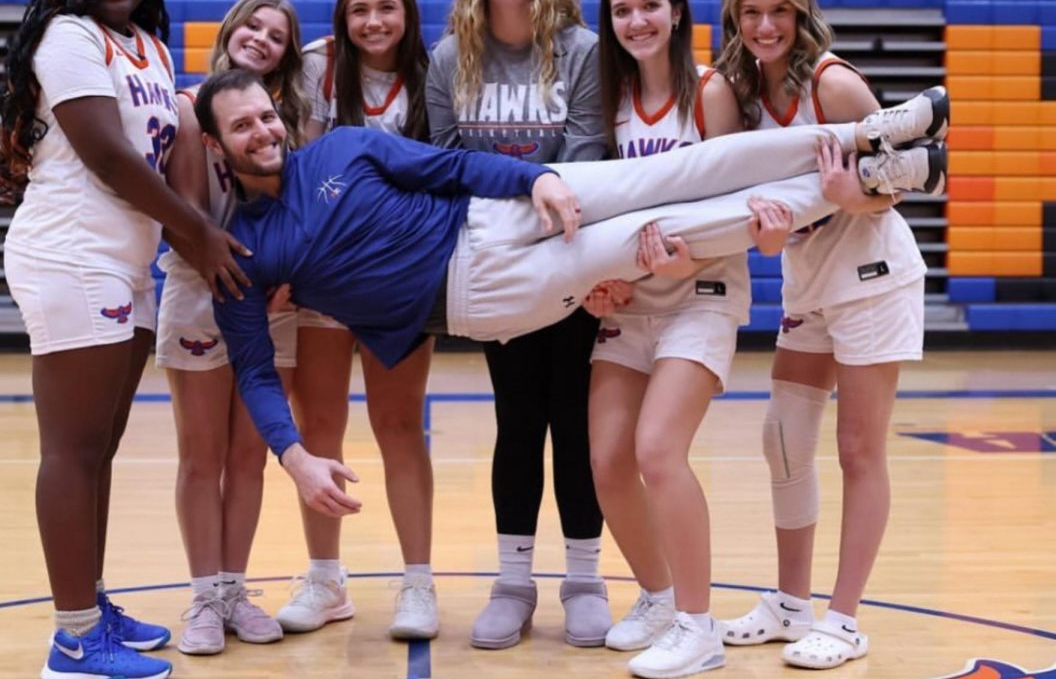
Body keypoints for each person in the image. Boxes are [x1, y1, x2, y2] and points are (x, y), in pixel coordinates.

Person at [195, 70, 947, 537]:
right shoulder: (242, 252)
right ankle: (875, 182)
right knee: (670, 226)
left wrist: (533, 180)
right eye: (242, 126)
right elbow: (257, 372)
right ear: (216, 146)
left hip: (495, 214)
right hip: (480, 294)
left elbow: (450, 165)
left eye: (265, 115)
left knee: (682, 171)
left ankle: (866, 139)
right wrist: (295, 459)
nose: (262, 131)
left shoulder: (339, 148)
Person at [0, 0, 249, 679]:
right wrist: (197, 233)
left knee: (97, 448)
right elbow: (105, 152)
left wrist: (197, 229)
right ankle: (71, 640)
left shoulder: (150, 47)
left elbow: (169, 148)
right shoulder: (67, 37)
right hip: (72, 254)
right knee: (70, 447)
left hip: (125, 263)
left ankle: (90, 604)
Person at [714, 0, 948, 672]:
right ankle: (790, 602)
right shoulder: (737, 90)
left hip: (872, 272)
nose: (764, 26)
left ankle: (844, 618)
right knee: (783, 437)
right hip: (807, 275)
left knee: (857, 449)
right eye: (751, 13)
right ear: (734, 18)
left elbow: (893, 186)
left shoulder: (834, 81)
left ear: (800, 12)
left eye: (778, 11)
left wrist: (855, 197)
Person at [582, 0, 794, 679]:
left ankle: (699, 629)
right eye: (622, 10)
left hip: (702, 296)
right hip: (630, 300)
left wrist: (687, 262)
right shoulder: (605, 96)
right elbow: (605, 210)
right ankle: (661, 597)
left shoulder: (711, 93)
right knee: (607, 462)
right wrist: (601, 280)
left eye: (649, 5)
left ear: (676, 12)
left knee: (656, 451)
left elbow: (737, 208)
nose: (636, 20)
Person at [424, 0, 611, 650]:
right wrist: (514, 209)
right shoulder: (447, 59)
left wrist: (542, 213)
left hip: (571, 256)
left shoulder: (582, 51)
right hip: (496, 267)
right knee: (517, 420)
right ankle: (512, 582)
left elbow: (590, 154)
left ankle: (587, 580)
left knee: (577, 421)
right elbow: (443, 164)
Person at [279, 0, 439, 640]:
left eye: (386, 9)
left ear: (407, 14)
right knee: (319, 424)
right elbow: (301, 166)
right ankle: (325, 577)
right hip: (326, 275)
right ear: (341, 20)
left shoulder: (436, 76)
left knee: (398, 424)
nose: (373, 22)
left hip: (400, 277)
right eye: (358, 11)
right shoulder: (319, 70)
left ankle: (419, 582)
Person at [155, 0, 308, 656]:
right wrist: (250, 283)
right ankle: (203, 597)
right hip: (202, 294)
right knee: (201, 455)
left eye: (278, 35)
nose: (262, 38)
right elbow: (186, 220)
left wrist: (289, 277)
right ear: (230, 28)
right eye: (254, 24)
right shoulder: (189, 111)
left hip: (274, 300)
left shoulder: (288, 125)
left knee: (250, 455)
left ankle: (233, 588)